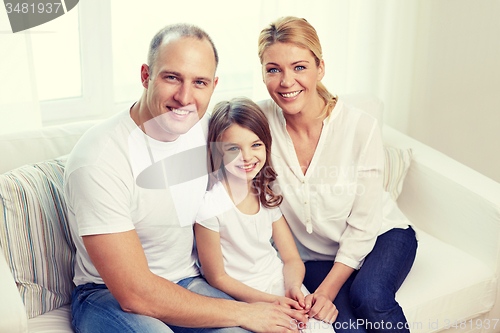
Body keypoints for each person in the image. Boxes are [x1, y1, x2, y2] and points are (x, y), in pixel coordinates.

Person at [64, 23, 307, 333]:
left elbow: (257, 162)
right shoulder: (99, 159)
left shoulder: (208, 132)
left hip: (188, 280)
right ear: (145, 75)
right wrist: (246, 313)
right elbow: (134, 293)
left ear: (214, 86)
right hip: (105, 295)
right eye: (171, 77)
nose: (184, 97)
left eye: (200, 82)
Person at [256, 16, 418, 333]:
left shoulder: (359, 126)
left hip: (382, 235)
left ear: (320, 68)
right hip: (314, 256)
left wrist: (328, 290)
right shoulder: (258, 123)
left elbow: (364, 222)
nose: (286, 81)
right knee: (343, 326)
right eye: (273, 69)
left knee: (368, 297)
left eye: (299, 67)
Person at [194, 97, 337, 333]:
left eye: (256, 145)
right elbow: (217, 278)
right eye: (233, 149)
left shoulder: (265, 194)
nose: (247, 157)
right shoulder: (210, 206)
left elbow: (291, 258)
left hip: (280, 285)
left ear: (266, 145)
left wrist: (294, 288)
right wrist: (271, 302)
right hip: (245, 298)